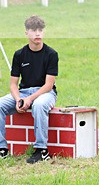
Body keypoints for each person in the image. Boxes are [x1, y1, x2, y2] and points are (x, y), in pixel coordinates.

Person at [0, 15, 58, 163]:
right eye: (33, 30)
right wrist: (19, 99)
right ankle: (2, 149)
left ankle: (41, 150)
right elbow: (13, 84)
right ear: (26, 33)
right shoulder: (19, 54)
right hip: (24, 92)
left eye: (40, 30)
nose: (37, 33)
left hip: (45, 93)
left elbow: (48, 85)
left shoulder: (51, 54)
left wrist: (30, 99)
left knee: (38, 105)